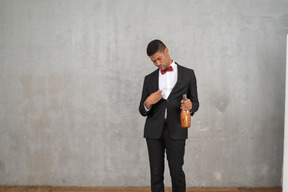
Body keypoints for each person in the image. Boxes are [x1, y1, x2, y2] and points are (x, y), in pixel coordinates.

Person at [139, 39, 199, 192]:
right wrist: (148, 102)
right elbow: (142, 109)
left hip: (177, 129)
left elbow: (196, 102)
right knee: (156, 173)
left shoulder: (188, 74)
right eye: (153, 61)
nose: (157, 63)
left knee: (176, 171)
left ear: (166, 51)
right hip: (153, 131)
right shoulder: (149, 78)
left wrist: (191, 105)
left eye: (159, 58)